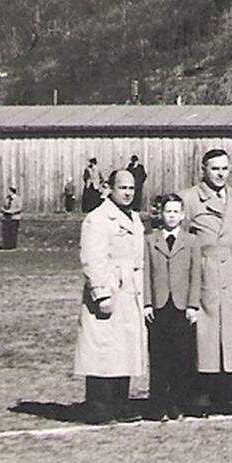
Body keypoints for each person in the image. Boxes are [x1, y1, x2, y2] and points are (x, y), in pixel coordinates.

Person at [181, 148, 232, 415]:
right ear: (203, 169)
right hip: (206, 273)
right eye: (214, 168)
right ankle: (201, 393)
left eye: (224, 168)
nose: (220, 174)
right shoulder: (189, 199)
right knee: (206, 335)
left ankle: (227, 394)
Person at [73, 169, 147, 424]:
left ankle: (120, 402)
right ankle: (98, 405)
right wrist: (101, 293)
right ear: (109, 187)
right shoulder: (98, 219)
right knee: (102, 350)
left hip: (131, 290)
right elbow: (93, 259)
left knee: (124, 349)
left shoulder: (134, 219)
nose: (127, 193)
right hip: (110, 289)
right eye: (123, 187)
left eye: (131, 188)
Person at [144, 192, 200, 421]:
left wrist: (193, 305)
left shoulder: (191, 241)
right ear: (161, 214)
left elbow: (196, 275)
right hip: (158, 306)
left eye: (176, 211)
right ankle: (158, 403)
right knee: (159, 357)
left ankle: (178, 402)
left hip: (181, 305)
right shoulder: (150, 240)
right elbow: (146, 273)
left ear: (183, 215)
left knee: (181, 357)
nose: (172, 216)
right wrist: (147, 303)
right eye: (168, 211)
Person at [0, 185, 23, 250]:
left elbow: (19, 208)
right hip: (7, 218)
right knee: (7, 232)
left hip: (14, 218)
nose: (8, 193)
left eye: (9, 191)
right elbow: (4, 206)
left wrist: (11, 211)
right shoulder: (7, 199)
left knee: (13, 232)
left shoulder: (18, 199)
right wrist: (4, 210)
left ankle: (13, 246)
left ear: (12, 191)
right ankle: (7, 246)